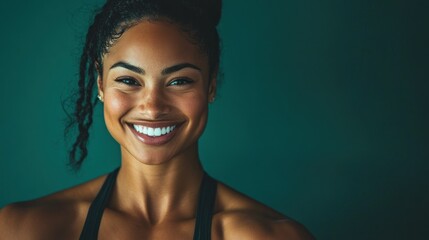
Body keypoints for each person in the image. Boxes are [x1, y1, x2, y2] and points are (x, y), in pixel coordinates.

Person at [0, 0, 314, 239]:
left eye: (179, 81)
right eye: (128, 80)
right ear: (100, 84)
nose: (152, 108)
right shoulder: (21, 229)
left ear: (211, 85)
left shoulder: (270, 236)